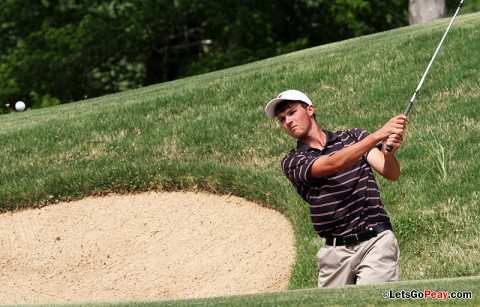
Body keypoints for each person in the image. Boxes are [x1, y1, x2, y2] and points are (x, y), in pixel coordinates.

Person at [264, 89, 408, 287]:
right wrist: (376, 137)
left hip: (375, 239)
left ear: (310, 109)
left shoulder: (354, 137)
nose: (287, 121)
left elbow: (391, 173)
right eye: (281, 119)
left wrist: (388, 153)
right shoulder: (293, 161)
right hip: (335, 253)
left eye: (291, 112)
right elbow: (332, 164)